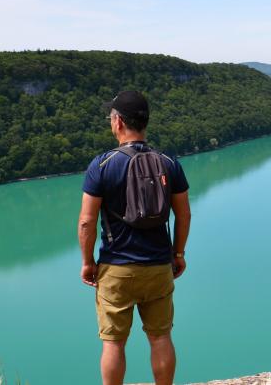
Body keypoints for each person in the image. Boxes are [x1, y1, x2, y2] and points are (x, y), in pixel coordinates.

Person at [78, 90, 192, 385]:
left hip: (116, 268)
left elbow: (87, 221)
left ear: (117, 122)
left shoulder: (102, 165)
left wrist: (88, 262)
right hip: (157, 265)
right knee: (160, 336)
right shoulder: (168, 162)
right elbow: (184, 215)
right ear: (145, 123)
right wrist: (178, 254)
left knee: (114, 342)